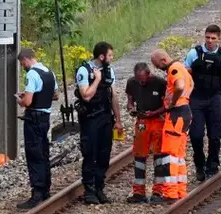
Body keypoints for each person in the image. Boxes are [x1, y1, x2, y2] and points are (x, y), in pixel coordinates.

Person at [74, 41, 123, 204]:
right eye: (109, 55)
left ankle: (99, 187)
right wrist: (97, 80)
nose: (112, 58)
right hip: (90, 118)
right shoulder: (84, 71)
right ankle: (89, 189)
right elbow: (86, 95)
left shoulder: (110, 71)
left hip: (105, 117)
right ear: (101, 56)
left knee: (104, 154)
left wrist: (118, 120)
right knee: (90, 154)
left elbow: (113, 96)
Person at [184, 24, 221, 181]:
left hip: (214, 98)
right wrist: (194, 68)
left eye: (213, 38)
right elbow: (184, 72)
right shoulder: (195, 53)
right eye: (207, 37)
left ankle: (213, 163)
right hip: (197, 98)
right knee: (196, 134)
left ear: (218, 39)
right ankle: (199, 164)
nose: (210, 41)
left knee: (215, 134)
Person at [16, 48, 59, 209]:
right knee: (43, 152)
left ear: (26, 60)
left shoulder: (32, 74)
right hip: (45, 117)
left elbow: (27, 102)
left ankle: (37, 192)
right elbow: (56, 95)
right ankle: (46, 188)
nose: (23, 67)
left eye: (22, 64)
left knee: (34, 154)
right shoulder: (49, 72)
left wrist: (20, 100)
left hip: (33, 118)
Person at [151, 49, 194, 203]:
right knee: (179, 156)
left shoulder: (173, 69)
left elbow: (180, 86)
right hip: (185, 112)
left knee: (169, 155)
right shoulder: (182, 67)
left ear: (163, 60)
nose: (157, 69)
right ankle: (180, 190)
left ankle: (170, 193)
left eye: (157, 65)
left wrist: (172, 102)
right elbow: (191, 84)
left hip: (176, 114)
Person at [125, 63, 168, 204]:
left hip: (157, 120)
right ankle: (138, 192)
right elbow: (130, 99)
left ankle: (158, 191)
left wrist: (154, 112)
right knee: (139, 156)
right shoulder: (132, 83)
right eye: (138, 79)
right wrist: (131, 108)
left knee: (159, 156)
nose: (140, 82)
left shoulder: (160, 83)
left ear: (149, 74)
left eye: (142, 79)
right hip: (142, 121)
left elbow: (168, 104)